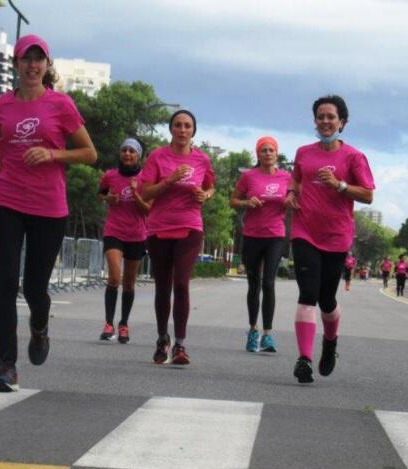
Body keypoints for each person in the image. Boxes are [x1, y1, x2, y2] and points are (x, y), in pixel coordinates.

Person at [0, 33, 97, 391]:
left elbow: (89, 154)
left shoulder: (61, 105)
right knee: (7, 282)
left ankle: (39, 328)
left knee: (34, 287)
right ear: (15, 64)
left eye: (38, 59)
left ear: (47, 65)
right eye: (26, 58)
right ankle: (6, 366)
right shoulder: (2, 105)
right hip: (8, 201)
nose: (32, 65)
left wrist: (53, 154)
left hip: (49, 206)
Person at [283, 94, 375, 383]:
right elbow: (296, 179)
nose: (325, 121)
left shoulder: (354, 157)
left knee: (327, 299)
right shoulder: (303, 153)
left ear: (342, 122)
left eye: (330, 117)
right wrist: (291, 193)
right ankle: (304, 359)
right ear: (315, 121)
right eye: (320, 116)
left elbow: (368, 194)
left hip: (336, 235)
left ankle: (331, 342)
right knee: (307, 293)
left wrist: (340, 185)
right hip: (304, 230)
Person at [138, 109, 215, 365]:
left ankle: (180, 345)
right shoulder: (158, 157)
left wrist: (206, 195)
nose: (183, 130)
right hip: (159, 228)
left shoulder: (202, 160)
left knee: (181, 284)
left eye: (187, 126)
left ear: (194, 131)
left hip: (190, 226)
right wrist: (169, 181)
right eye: (178, 125)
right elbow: (146, 193)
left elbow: (210, 186)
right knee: (163, 285)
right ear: (171, 129)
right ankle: (162, 337)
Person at [232, 136, 289, 353]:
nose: (267, 153)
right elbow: (234, 200)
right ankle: (253, 330)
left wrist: (289, 201)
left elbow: (294, 198)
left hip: (275, 234)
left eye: (271, 150)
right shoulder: (249, 177)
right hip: (253, 235)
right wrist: (248, 202)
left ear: (276, 154)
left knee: (269, 283)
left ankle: (267, 335)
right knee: (254, 283)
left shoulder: (286, 177)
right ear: (258, 154)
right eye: (263, 150)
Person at [97, 138, 150, 344]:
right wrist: (107, 199)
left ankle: (124, 324)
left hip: (137, 235)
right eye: (124, 150)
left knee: (129, 283)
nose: (127, 154)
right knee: (114, 277)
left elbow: (148, 209)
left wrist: (136, 194)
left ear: (138, 156)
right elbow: (101, 193)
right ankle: (109, 324)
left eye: (132, 151)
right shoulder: (110, 175)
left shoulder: (146, 178)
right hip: (114, 231)